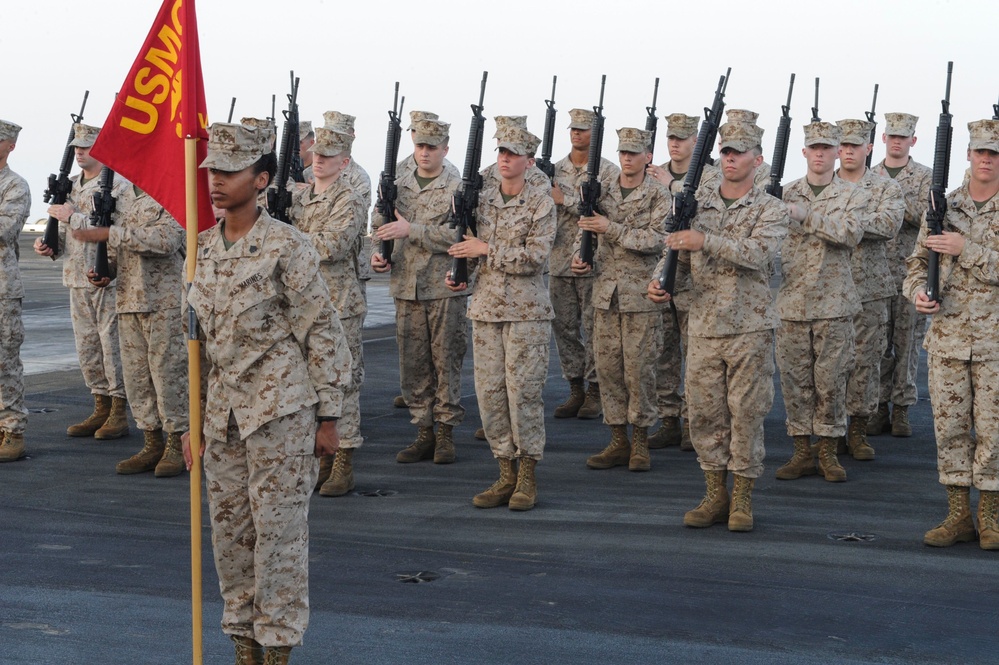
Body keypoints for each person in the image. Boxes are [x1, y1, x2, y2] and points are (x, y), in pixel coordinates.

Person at [183, 122, 351, 663]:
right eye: (212, 170)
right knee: (230, 536)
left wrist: (330, 416)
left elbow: (321, 331)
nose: (215, 181)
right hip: (222, 418)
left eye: (229, 172)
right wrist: (191, 420)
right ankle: (242, 643)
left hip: (281, 414)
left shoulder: (287, 245)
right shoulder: (200, 250)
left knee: (278, 538)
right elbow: (193, 346)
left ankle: (277, 646)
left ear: (260, 179)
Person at [649, 116, 788, 531]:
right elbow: (674, 248)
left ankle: (742, 497)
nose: (730, 159)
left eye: (738, 153)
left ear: (757, 159)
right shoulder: (696, 203)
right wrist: (660, 280)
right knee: (706, 415)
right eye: (725, 152)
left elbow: (758, 254)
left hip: (749, 327)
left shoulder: (771, 208)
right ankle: (714, 493)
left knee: (746, 413)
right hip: (704, 322)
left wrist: (705, 240)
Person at [447, 123, 555, 511]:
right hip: (487, 309)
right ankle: (504, 471)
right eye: (501, 153)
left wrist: (485, 248)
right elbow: (473, 250)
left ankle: (527, 475)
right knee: (490, 395)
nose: (505, 159)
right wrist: (463, 269)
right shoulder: (483, 199)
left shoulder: (542, 202)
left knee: (522, 394)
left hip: (527, 313)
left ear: (529, 160)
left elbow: (534, 259)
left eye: (512, 154)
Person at [904, 119, 999, 550]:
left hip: (994, 343)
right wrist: (919, 293)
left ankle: (992, 515)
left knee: (995, 431)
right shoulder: (943, 206)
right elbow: (915, 265)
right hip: (946, 340)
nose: (986, 158)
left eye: (994, 153)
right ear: (967, 154)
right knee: (951, 429)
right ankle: (959, 514)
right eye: (980, 150)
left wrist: (969, 250)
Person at [72, 185, 190, 476]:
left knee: (168, 375)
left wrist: (113, 234)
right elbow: (115, 251)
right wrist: (105, 270)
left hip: (165, 301)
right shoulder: (120, 197)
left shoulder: (172, 191)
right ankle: (151, 441)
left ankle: (177, 441)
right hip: (128, 300)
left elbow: (168, 240)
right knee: (138, 378)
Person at [773, 121, 867, 483]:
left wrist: (806, 215)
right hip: (793, 302)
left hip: (834, 303)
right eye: (814, 148)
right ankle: (800, 451)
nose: (820, 154)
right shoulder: (783, 192)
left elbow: (850, 233)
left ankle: (827, 451)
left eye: (827, 148)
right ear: (804, 152)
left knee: (831, 380)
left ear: (836, 152)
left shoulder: (851, 194)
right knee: (795, 381)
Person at [372, 117, 467, 465]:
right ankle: (423, 430)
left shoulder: (458, 185)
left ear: (445, 148)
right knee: (412, 363)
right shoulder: (398, 181)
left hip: (443, 286)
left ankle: (445, 432)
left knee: (446, 362)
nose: (424, 153)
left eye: (431, 147)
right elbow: (379, 221)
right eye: (420, 146)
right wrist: (377, 252)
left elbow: (458, 235)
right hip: (406, 285)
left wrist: (411, 230)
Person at [574, 127, 668, 473]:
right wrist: (577, 255)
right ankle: (617, 439)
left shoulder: (658, 195)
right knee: (609, 370)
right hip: (605, 295)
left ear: (648, 157)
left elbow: (658, 240)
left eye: (634, 152)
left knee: (640, 370)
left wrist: (610, 228)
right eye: (622, 152)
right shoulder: (602, 192)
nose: (626, 158)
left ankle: (641, 439)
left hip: (640, 296)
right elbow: (586, 230)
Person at [33, 123, 129, 440]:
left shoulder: (116, 186)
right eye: (76, 147)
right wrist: (49, 246)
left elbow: (113, 227)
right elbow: (64, 232)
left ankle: (117, 410)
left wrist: (71, 216)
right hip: (76, 277)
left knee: (111, 345)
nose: (79, 152)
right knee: (87, 348)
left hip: (104, 277)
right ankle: (99, 404)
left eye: (85, 147)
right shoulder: (70, 186)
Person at [291, 125, 366, 497]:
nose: (319, 160)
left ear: (344, 162)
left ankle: (344, 459)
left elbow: (332, 245)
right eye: (316, 154)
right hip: (302, 304)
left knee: (341, 382)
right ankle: (318, 458)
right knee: (308, 383)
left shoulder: (349, 198)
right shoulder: (300, 199)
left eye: (328, 156)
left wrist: (286, 241)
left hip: (339, 303)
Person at [835, 118, 904, 461]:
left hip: (870, 288)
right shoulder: (818, 186)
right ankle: (829, 432)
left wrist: (838, 222)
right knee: (829, 365)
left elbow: (889, 225)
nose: (848, 151)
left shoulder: (885, 188)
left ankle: (859, 429)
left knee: (866, 363)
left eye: (855, 145)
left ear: (869, 147)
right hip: (826, 288)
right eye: (843, 145)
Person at [548, 108, 619, 421]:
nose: (576, 134)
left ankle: (595, 389)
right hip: (558, 261)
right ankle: (575, 386)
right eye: (573, 129)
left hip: (592, 262)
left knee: (594, 328)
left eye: (583, 129)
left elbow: (607, 210)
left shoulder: (607, 172)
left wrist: (565, 200)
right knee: (563, 328)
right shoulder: (553, 169)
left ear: (595, 134)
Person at [645, 113, 708, 451]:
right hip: (659, 272)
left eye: (683, 138)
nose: (675, 142)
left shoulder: (707, 177)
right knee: (663, 352)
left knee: (694, 357)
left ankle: (690, 422)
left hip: (692, 279)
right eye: (671, 137)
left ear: (695, 142)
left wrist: (672, 183)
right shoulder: (651, 175)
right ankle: (668, 418)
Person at [870, 112, 932, 437]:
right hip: (876, 273)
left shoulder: (924, 177)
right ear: (883, 138)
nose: (897, 141)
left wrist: (891, 199)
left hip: (910, 272)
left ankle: (902, 409)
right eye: (891, 135)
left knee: (908, 343)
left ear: (913, 141)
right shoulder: (869, 174)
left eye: (903, 137)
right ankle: (878, 406)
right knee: (879, 343)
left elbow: (925, 217)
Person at [0, 119, 30, 463]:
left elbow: (5, 229)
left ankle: (13, 429)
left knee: (5, 361)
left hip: (3, 289)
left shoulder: (15, 186)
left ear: (9, 146)